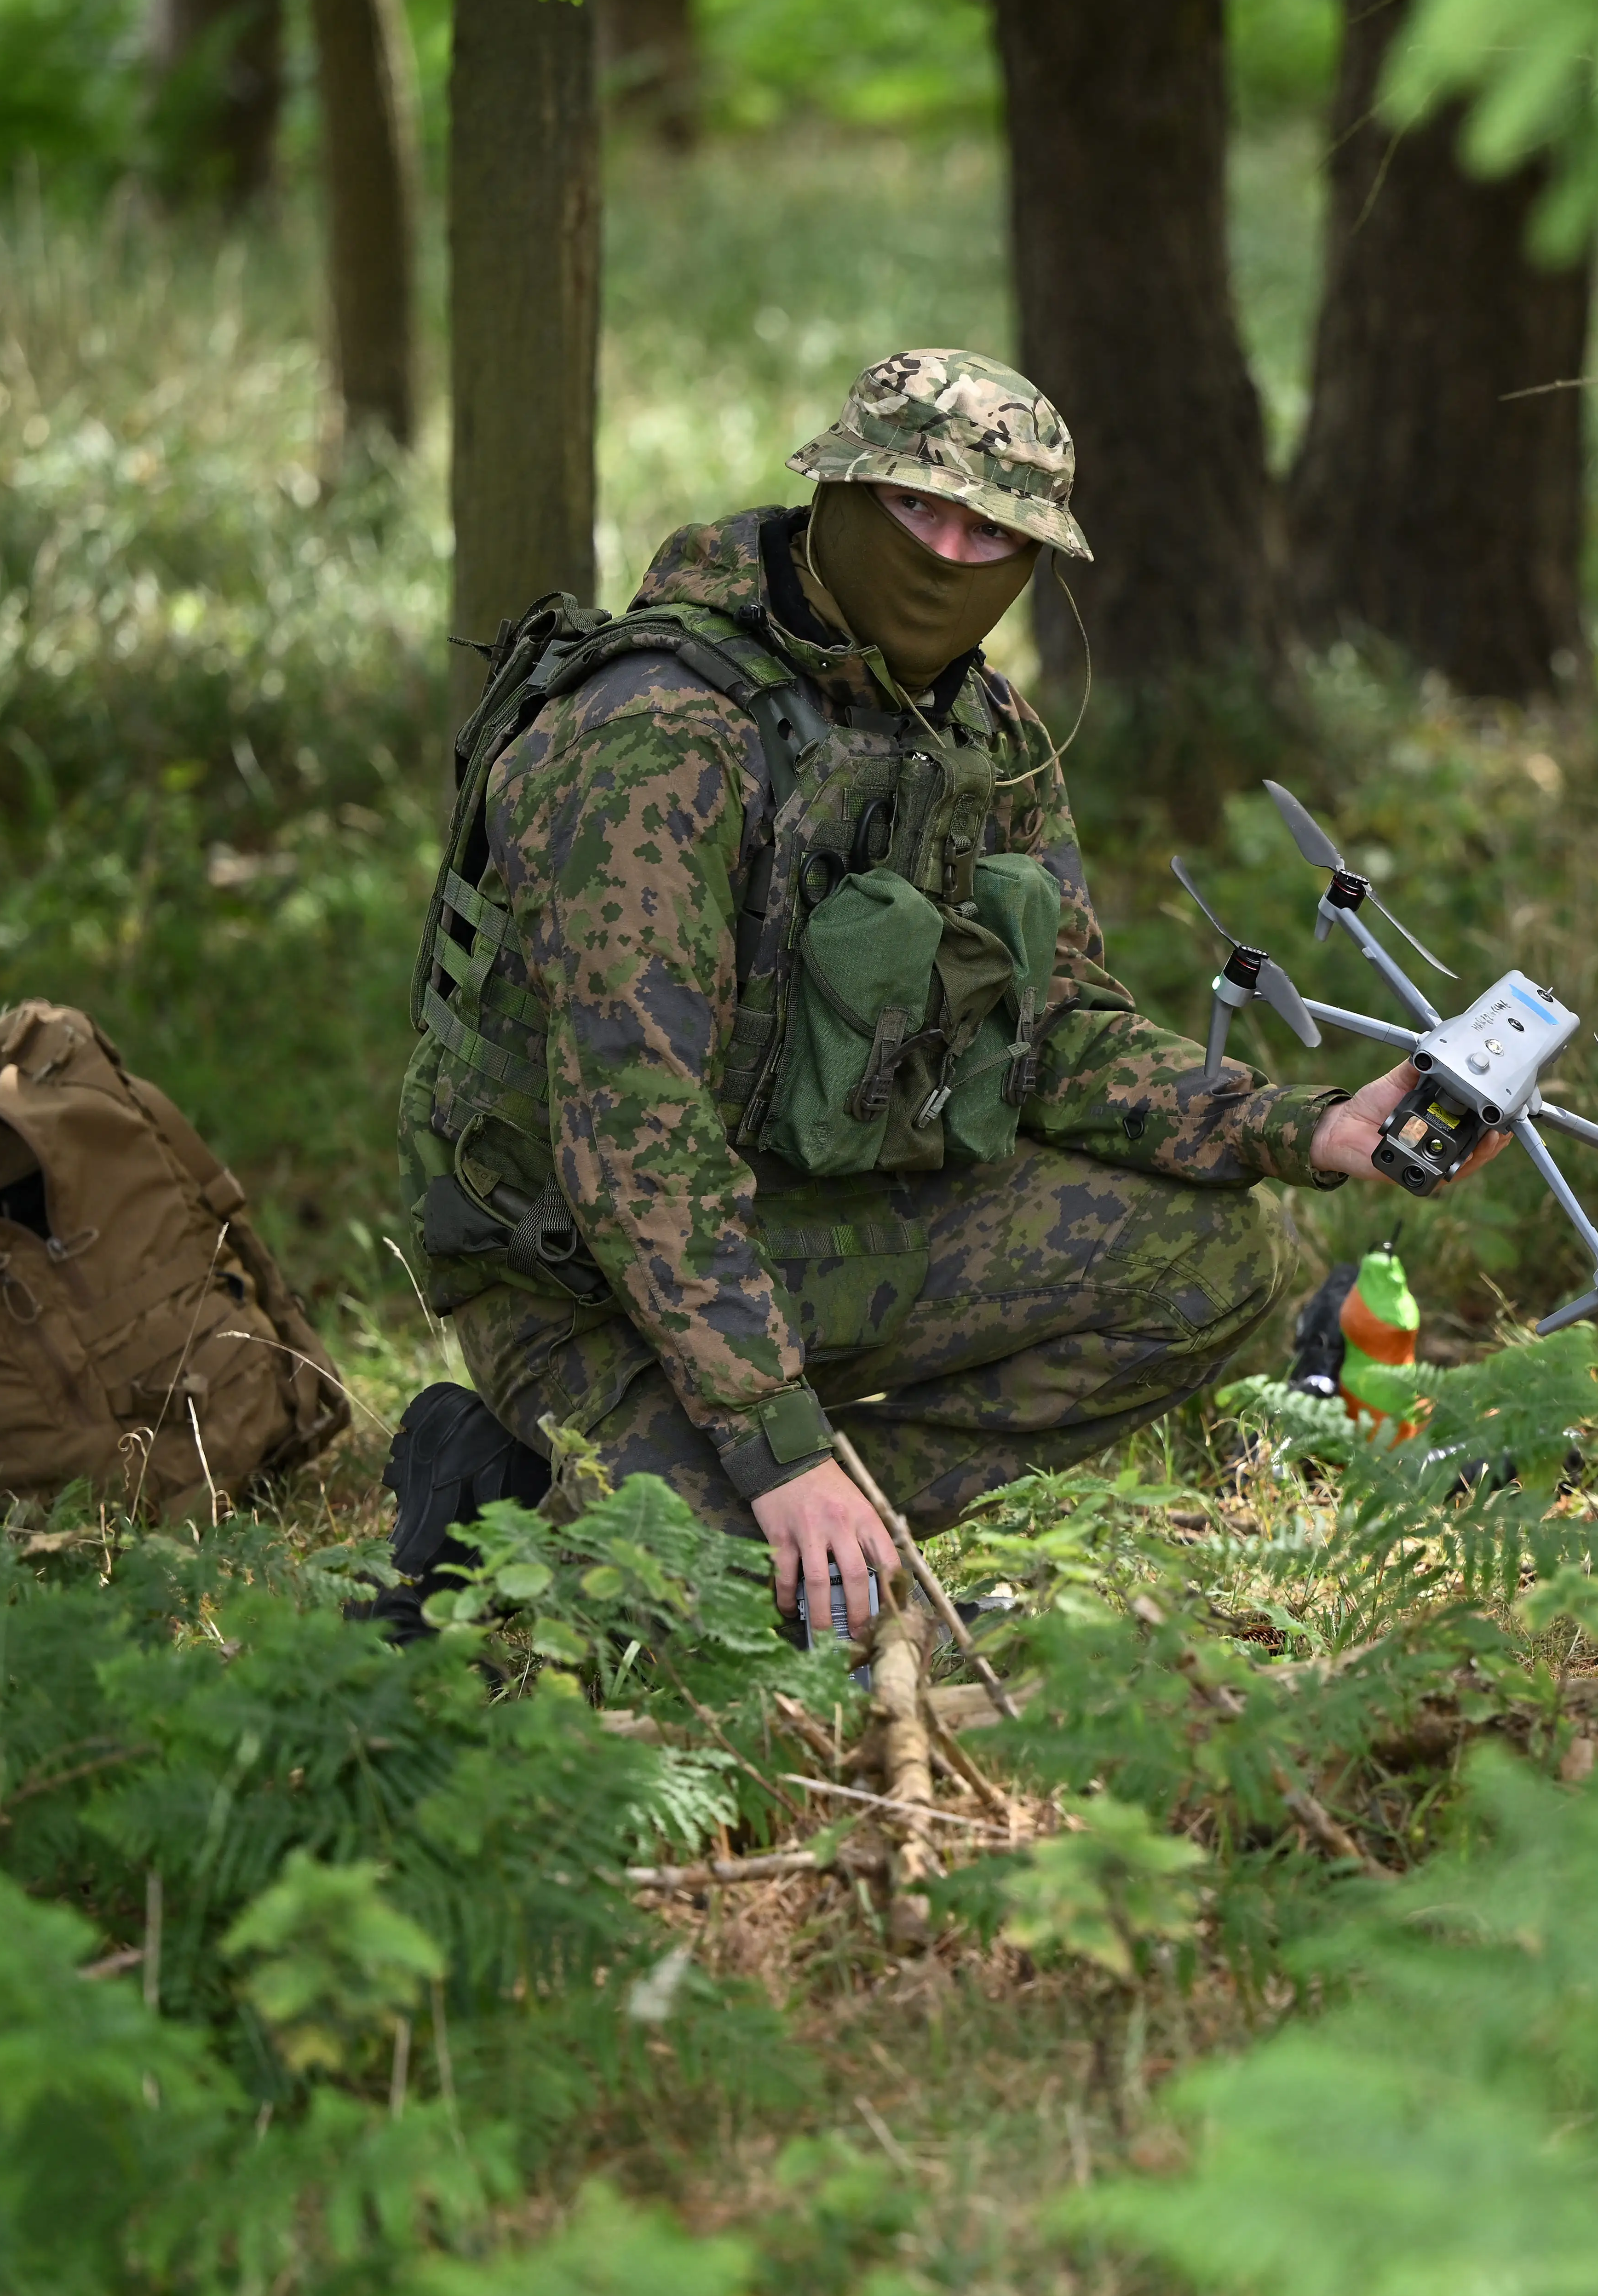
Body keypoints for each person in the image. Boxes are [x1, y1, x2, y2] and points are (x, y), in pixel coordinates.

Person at [394, 349, 1483, 1637]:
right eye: (919, 510)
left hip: (804, 1225)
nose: (948, 556)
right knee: (695, 1626)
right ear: (841, 493)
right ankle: (545, 1494)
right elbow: (633, 1141)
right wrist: (779, 1445)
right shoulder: (659, 733)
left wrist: (1296, 1124)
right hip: (577, 1275)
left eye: (991, 533)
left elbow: (1060, 1034)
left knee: (1212, 1257)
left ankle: (834, 1540)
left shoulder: (985, 735)